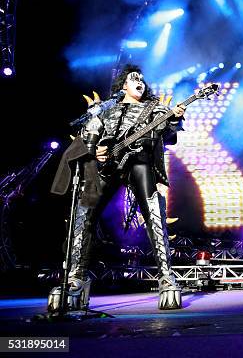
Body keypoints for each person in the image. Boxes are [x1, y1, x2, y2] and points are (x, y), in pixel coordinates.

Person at [48, 64, 186, 311]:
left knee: (154, 212)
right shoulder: (105, 109)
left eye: (142, 79)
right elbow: (88, 136)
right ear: (124, 85)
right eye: (134, 79)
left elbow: (170, 132)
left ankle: (166, 276)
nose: (140, 82)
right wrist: (94, 151)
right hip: (107, 165)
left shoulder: (154, 109)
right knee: (83, 212)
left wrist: (174, 118)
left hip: (140, 162)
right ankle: (75, 277)